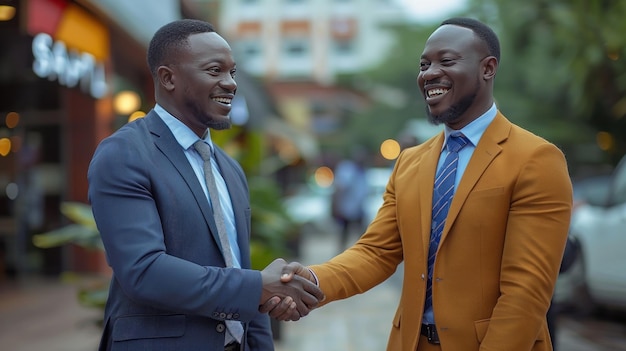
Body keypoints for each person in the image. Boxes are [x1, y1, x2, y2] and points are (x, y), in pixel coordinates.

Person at [268, 17, 573, 350]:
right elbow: (375, 252)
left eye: (447, 61)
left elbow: (526, 293)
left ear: (488, 68)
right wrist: (309, 280)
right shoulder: (409, 162)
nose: (429, 73)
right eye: (424, 64)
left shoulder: (537, 160)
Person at [88, 19, 323, 351]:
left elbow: (236, 265)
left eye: (233, 73)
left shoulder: (230, 169)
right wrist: (257, 286)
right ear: (168, 78)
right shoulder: (124, 154)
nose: (230, 84)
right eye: (215, 71)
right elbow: (143, 270)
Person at [331, 148, 369, 251]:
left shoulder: (363, 172)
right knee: (344, 235)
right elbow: (339, 189)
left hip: (358, 210)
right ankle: (340, 256)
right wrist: (336, 206)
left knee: (363, 235)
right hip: (346, 209)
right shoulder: (348, 170)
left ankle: (361, 253)